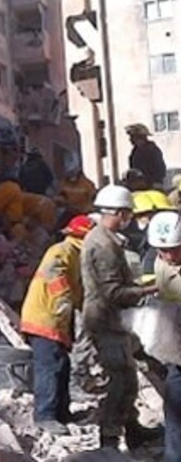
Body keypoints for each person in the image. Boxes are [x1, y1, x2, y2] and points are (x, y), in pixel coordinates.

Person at [80, 184, 163, 449]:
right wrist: (152, 288)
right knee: (119, 383)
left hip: (113, 320)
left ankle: (132, 429)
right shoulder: (103, 245)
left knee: (128, 381)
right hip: (106, 321)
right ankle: (109, 440)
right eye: (126, 214)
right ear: (117, 213)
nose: (128, 220)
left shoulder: (106, 239)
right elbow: (114, 292)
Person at [20, 215, 95, 435]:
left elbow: (78, 291)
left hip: (56, 320)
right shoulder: (62, 251)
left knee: (62, 366)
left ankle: (62, 412)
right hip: (45, 318)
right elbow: (56, 276)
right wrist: (65, 301)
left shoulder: (76, 255)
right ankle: (45, 415)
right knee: (50, 367)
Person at [146, 210, 181, 460]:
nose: (168, 256)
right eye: (162, 251)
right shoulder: (158, 263)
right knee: (175, 408)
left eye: (174, 250)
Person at [126, 123, 166, 189]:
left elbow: (160, 170)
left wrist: (150, 182)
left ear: (140, 137)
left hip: (151, 186)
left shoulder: (152, 150)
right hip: (138, 185)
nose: (130, 139)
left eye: (132, 136)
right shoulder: (135, 151)